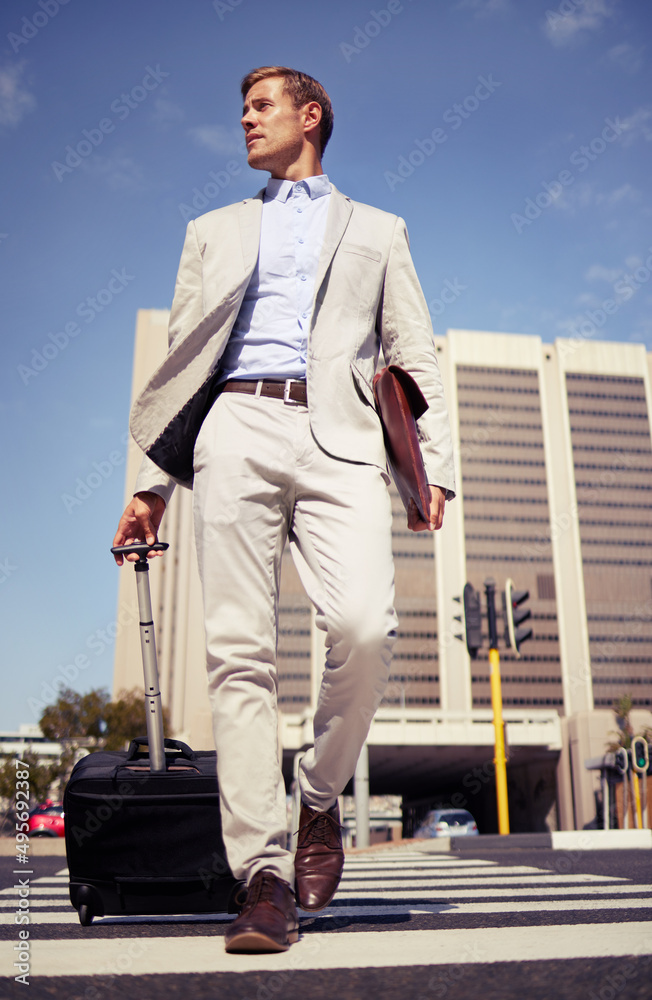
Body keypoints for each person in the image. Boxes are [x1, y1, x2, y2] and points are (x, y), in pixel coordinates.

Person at [113, 65, 455, 954]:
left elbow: (415, 349)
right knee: (238, 654)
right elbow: (179, 361)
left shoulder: (379, 230)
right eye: (242, 107)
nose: (244, 119)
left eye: (260, 106)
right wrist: (148, 486)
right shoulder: (214, 229)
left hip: (342, 439)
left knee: (366, 625)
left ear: (310, 117)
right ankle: (262, 877)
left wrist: (436, 471)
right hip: (234, 425)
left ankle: (317, 794)